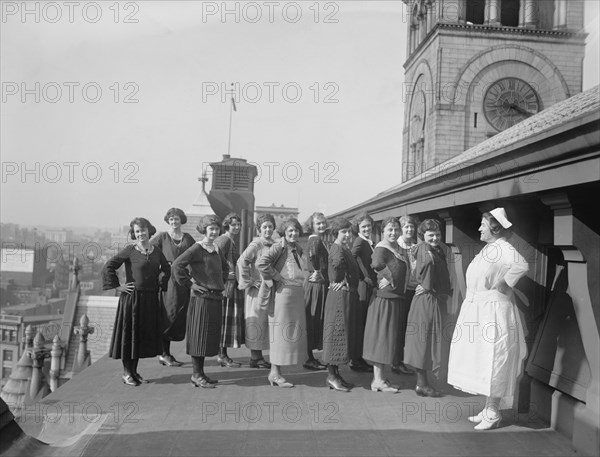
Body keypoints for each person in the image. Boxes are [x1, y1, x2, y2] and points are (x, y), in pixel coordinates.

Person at [447, 208, 529, 430]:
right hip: (479, 309)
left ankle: (493, 412)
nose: (479, 228)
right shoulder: (490, 248)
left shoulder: (503, 248)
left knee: (494, 358)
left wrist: (505, 282)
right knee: (482, 358)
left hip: (494, 310)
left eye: (483, 225)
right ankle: (488, 406)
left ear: (494, 228)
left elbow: (521, 264)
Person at [103, 217, 170, 386]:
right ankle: (127, 373)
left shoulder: (156, 251)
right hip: (132, 299)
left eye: (143, 230)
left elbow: (167, 269)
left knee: (140, 337)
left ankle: (134, 372)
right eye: (137, 231)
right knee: (130, 336)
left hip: (149, 300)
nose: (140, 234)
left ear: (149, 230)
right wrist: (118, 287)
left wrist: (160, 282)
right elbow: (109, 266)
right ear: (134, 233)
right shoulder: (130, 250)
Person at [171, 214, 229, 388]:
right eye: (211, 229)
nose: (214, 232)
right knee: (198, 337)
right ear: (204, 230)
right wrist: (190, 284)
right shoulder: (197, 248)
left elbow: (224, 268)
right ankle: (196, 375)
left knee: (208, 338)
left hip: (215, 298)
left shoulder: (217, 248)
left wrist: (220, 282)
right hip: (201, 300)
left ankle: (201, 373)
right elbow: (176, 265)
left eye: (216, 229)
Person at [257, 217, 308, 388]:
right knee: (279, 333)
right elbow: (261, 263)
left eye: (296, 231)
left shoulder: (298, 248)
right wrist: (277, 278)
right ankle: (275, 373)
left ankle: (276, 373)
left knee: (291, 335)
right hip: (283, 296)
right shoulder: (279, 246)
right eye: (290, 231)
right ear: (284, 233)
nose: (294, 234)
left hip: (296, 295)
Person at [404, 219, 452, 398]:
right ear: (423, 236)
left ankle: (423, 383)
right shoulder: (425, 249)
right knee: (423, 342)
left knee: (425, 340)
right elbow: (425, 270)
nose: (435, 237)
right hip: (426, 300)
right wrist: (426, 284)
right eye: (431, 234)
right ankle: (421, 384)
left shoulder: (436, 249)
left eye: (438, 234)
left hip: (431, 298)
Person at [363, 216, 409, 393]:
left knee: (388, 339)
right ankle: (377, 381)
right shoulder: (382, 248)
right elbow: (375, 263)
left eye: (396, 229)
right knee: (382, 338)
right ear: (383, 231)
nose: (393, 232)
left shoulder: (395, 247)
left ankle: (380, 378)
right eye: (390, 229)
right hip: (385, 300)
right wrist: (387, 277)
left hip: (394, 298)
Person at [151, 208, 196, 367]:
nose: (174, 222)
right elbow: (149, 253)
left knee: (178, 313)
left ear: (181, 220)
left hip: (182, 281)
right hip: (168, 282)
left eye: (176, 219)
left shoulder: (188, 238)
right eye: (171, 219)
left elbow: (195, 257)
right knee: (167, 313)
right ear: (168, 221)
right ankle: (164, 353)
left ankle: (167, 353)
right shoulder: (162, 238)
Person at [322, 217, 361, 392]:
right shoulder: (337, 248)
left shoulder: (342, 247)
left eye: (348, 231)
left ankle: (336, 375)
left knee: (341, 335)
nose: (347, 235)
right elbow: (336, 264)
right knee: (335, 335)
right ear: (336, 233)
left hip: (344, 296)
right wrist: (340, 280)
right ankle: (331, 376)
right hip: (339, 297)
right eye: (343, 232)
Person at [237, 213, 276, 368]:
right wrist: (249, 281)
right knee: (256, 321)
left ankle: (259, 356)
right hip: (257, 291)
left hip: (270, 290)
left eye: (270, 226)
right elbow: (242, 261)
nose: (267, 229)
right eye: (264, 227)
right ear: (259, 229)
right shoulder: (256, 244)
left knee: (264, 323)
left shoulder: (274, 244)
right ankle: (255, 357)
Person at [214, 212, 244, 368]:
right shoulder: (224, 240)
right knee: (224, 321)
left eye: (239, 224)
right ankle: (221, 355)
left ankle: (223, 355)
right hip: (226, 287)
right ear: (227, 225)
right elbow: (214, 260)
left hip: (231, 286)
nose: (237, 227)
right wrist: (226, 274)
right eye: (234, 225)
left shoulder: (230, 240)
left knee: (227, 321)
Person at [392, 215, 420, 376]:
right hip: (401, 292)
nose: (410, 230)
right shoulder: (396, 246)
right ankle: (397, 361)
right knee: (399, 326)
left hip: (414, 290)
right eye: (406, 227)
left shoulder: (417, 246)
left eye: (412, 227)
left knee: (411, 327)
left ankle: (407, 359)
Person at [349, 212, 376, 373]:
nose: (367, 228)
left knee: (363, 322)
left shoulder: (368, 241)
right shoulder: (359, 241)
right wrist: (362, 276)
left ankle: (359, 358)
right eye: (363, 226)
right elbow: (351, 258)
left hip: (368, 286)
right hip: (363, 287)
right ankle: (355, 360)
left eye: (368, 226)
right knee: (360, 323)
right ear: (358, 228)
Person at [302, 212, 329, 371]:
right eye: (318, 223)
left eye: (323, 223)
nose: (321, 226)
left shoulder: (317, 240)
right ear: (312, 225)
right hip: (317, 286)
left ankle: (310, 357)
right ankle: (309, 358)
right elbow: (312, 256)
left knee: (314, 320)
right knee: (313, 320)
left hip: (318, 285)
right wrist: (317, 270)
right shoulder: (315, 239)